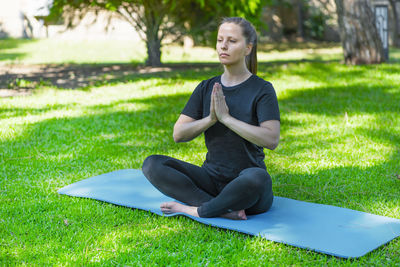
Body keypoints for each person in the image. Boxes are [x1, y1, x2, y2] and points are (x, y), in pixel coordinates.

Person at [142, 17, 280, 220]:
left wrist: (227, 118)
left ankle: (196, 210)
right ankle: (222, 209)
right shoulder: (206, 87)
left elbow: (271, 139)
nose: (223, 45)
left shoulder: (262, 89)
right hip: (211, 179)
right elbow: (178, 134)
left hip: (247, 186)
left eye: (232, 41)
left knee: (258, 177)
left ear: (248, 48)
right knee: (152, 164)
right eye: (220, 40)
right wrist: (210, 119)